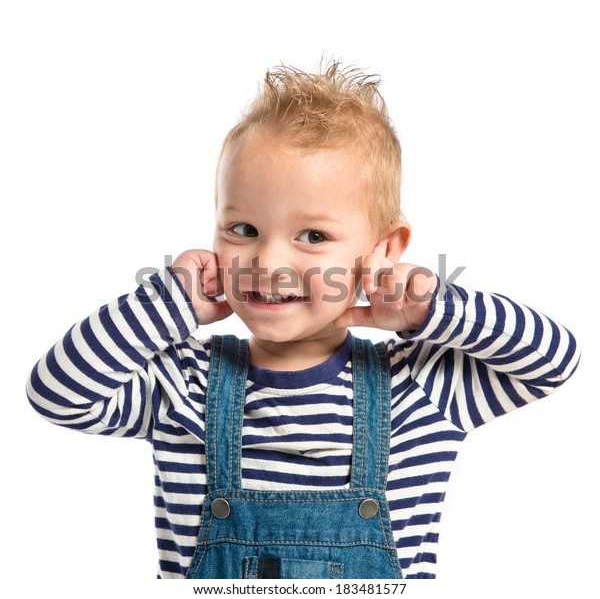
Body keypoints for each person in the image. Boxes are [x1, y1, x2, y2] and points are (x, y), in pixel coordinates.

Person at [26, 61, 580, 579]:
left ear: (383, 249)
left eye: (312, 236)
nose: (267, 263)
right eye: (242, 229)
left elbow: (554, 362)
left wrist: (432, 309)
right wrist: (171, 304)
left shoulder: (420, 389)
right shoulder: (182, 385)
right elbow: (56, 394)